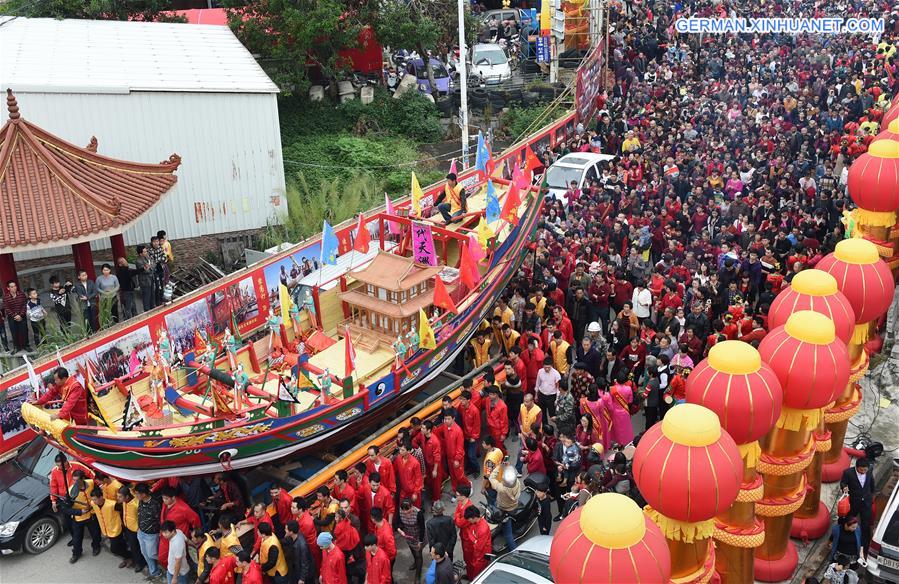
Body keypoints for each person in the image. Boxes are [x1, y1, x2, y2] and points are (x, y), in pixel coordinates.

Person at [64, 469, 101, 564]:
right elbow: (66, 509)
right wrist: (80, 511)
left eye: (77, 480)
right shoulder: (70, 492)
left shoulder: (91, 483)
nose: (75, 483)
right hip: (78, 518)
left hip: (91, 515)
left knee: (96, 534)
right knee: (76, 538)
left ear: (83, 479)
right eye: (74, 480)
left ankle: (96, 547)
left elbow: (98, 493)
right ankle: (76, 553)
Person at [89, 487, 130, 566]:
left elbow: (123, 511)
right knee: (121, 544)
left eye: (95, 499)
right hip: (106, 530)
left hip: (116, 530)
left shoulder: (113, 504)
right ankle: (127, 558)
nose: (93, 501)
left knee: (114, 549)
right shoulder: (93, 503)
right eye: (92, 499)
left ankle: (130, 556)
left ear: (101, 497)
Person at [840, 458, 875, 548]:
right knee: (849, 519)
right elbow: (843, 482)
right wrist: (844, 487)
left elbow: (871, 482)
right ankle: (845, 537)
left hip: (866, 501)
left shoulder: (870, 470)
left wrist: (872, 495)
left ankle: (864, 544)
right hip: (854, 501)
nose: (863, 471)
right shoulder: (848, 473)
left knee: (865, 523)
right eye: (861, 470)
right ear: (857, 467)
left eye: (865, 470)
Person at [489, 464, 522, 551]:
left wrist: (499, 467)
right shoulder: (517, 483)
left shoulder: (501, 488)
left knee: (508, 534)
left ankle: (514, 552)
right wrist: (508, 468)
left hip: (504, 509)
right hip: (514, 506)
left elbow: (491, 478)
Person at [135, 482, 164, 578]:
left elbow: (160, 519)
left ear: (143, 494)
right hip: (141, 532)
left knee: (152, 554)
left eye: (137, 493)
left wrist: (160, 532)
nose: (136, 495)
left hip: (151, 534)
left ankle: (167, 565)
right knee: (145, 553)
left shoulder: (154, 504)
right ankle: (154, 571)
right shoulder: (141, 501)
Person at [396, 497, 426, 582]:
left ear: (412, 507)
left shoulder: (418, 513)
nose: (405, 512)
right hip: (408, 534)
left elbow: (422, 528)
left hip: (418, 534)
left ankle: (418, 575)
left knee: (418, 554)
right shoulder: (400, 511)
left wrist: (420, 541)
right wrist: (400, 530)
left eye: (407, 510)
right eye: (403, 510)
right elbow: (396, 523)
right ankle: (415, 563)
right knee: (413, 550)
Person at [461, 505, 491, 580]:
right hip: (476, 552)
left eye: (469, 519)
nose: (468, 521)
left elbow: (478, 547)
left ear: (474, 518)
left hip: (481, 555)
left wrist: (472, 538)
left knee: (477, 575)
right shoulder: (476, 523)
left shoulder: (482, 529)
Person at [284, 519, 314, 584]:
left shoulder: (302, 545)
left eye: (286, 529)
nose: (285, 530)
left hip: (300, 572)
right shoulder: (293, 536)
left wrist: (302, 578)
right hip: (295, 568)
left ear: (291, 532)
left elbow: (305, 563)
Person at [160, 520, 190, 584]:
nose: (163, 534)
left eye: (166, 532)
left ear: (173, 531)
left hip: (178, 574)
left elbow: (178, 561)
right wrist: (195, 545)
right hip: (172, 570)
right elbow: (187, 540)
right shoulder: (178, 531)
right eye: (163, 532)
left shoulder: (177, 543)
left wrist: (175, 578)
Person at [135, 244, 157, 312]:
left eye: (146, 251)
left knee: (152, 295)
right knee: (146, 296)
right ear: (140, 253)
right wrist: (150, 267)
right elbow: (145, 270)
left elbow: (154, 263)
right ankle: (147, 311)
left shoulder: (147, 257)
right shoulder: (138, 261)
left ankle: (153, 308)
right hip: (144, 281)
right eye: (144, 252)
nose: (146, 252)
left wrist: (150, 266)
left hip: (151, 278)